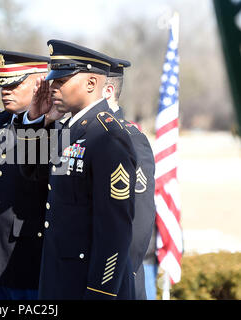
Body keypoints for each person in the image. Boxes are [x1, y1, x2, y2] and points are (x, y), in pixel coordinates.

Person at [17, 39, 138, 299]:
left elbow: (114, 230)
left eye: (61, 81)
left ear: (91, 84)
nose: (53, 88)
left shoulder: (107, 136)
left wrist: (100, 292)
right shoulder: (70, 130)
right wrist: (35, 123)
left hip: (88, 286)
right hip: (59, 281)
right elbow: (32, 173)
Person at [0, 51, 50, 300]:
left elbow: (39, 176)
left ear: (39, 84)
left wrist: (35, 122)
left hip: (29, 256)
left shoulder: (53, 125)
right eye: (3, 85)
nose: (7, 91)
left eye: (15, 84)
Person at [102, 58, 156, 300]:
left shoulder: (130, 139)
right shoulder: (73, 133)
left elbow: (139, 223)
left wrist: (113, 274)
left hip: (117, 282)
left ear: (107, 90)